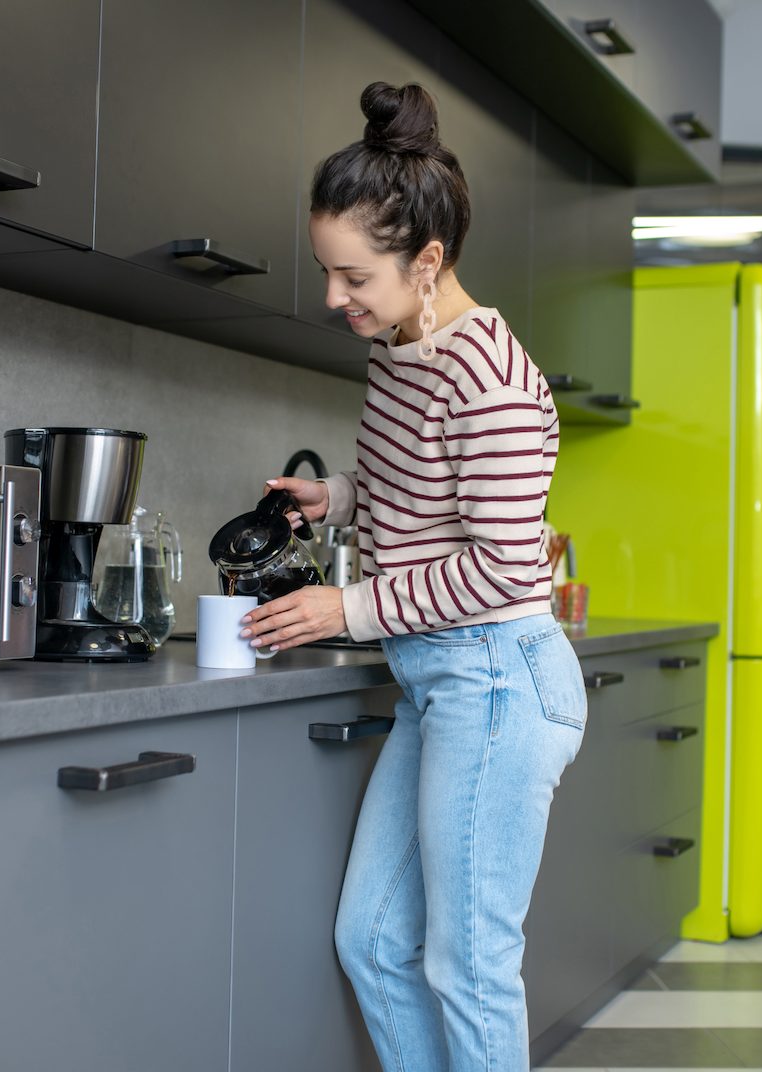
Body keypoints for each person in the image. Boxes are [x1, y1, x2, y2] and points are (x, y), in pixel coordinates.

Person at [241, 81, 587, 1071]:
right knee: (374, 943)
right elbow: (430, 487)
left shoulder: (492, 380)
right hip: (442, 687)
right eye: (328, 272)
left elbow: (501, 566)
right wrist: (339, 498)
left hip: (496, 679)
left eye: (353, 276)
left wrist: (345, 605)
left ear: (426, 260)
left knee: (469, 962)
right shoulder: (405, 350)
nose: (333, 297)